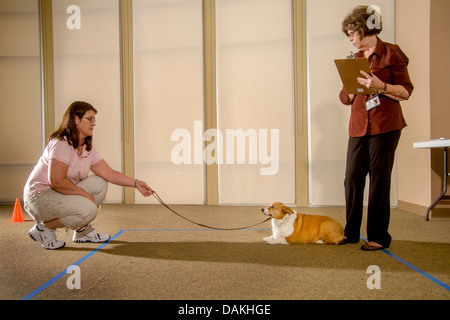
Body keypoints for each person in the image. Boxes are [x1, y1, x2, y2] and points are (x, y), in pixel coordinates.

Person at [24, 101, 154, 250]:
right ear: (76, 120)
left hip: (57, 193)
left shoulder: (86, 148)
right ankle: (44, 229)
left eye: (94, 119)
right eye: (90, 119)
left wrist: (136, 183)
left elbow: (109, 173)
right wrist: (85, 194)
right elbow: (56, 181)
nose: (94, 123)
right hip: (38, 198)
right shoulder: (61, 144)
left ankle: (82, 231)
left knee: (100, 183)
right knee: (89, 209)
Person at [338, 6, 414, 250]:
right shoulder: (353, 58)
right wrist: (349, 90)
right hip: (359, 126)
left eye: (351, 33)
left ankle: (379, 237)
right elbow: (344, 97)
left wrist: (382, 86)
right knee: (352, 178)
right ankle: (350, 232)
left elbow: (406, 91)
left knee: (379, 180)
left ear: (364, 28)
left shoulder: (391, 52)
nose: (349, 38)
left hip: (385, 125)